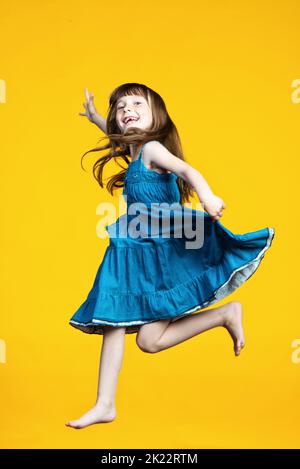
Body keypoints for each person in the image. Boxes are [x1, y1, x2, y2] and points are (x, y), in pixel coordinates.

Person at [65, 84, 275, 429]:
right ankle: (225, 314)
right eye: (120, 106)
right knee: (148, 341)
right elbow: (116, 136)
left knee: (113, 315)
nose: (126, 109)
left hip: (162, 248)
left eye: (136, 103)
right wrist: (96, 119)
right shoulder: (133, 152)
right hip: (138, 247)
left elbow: (187, 172)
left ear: (156, 116)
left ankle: (105, 402)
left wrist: (207, 196)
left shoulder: (152, 149)